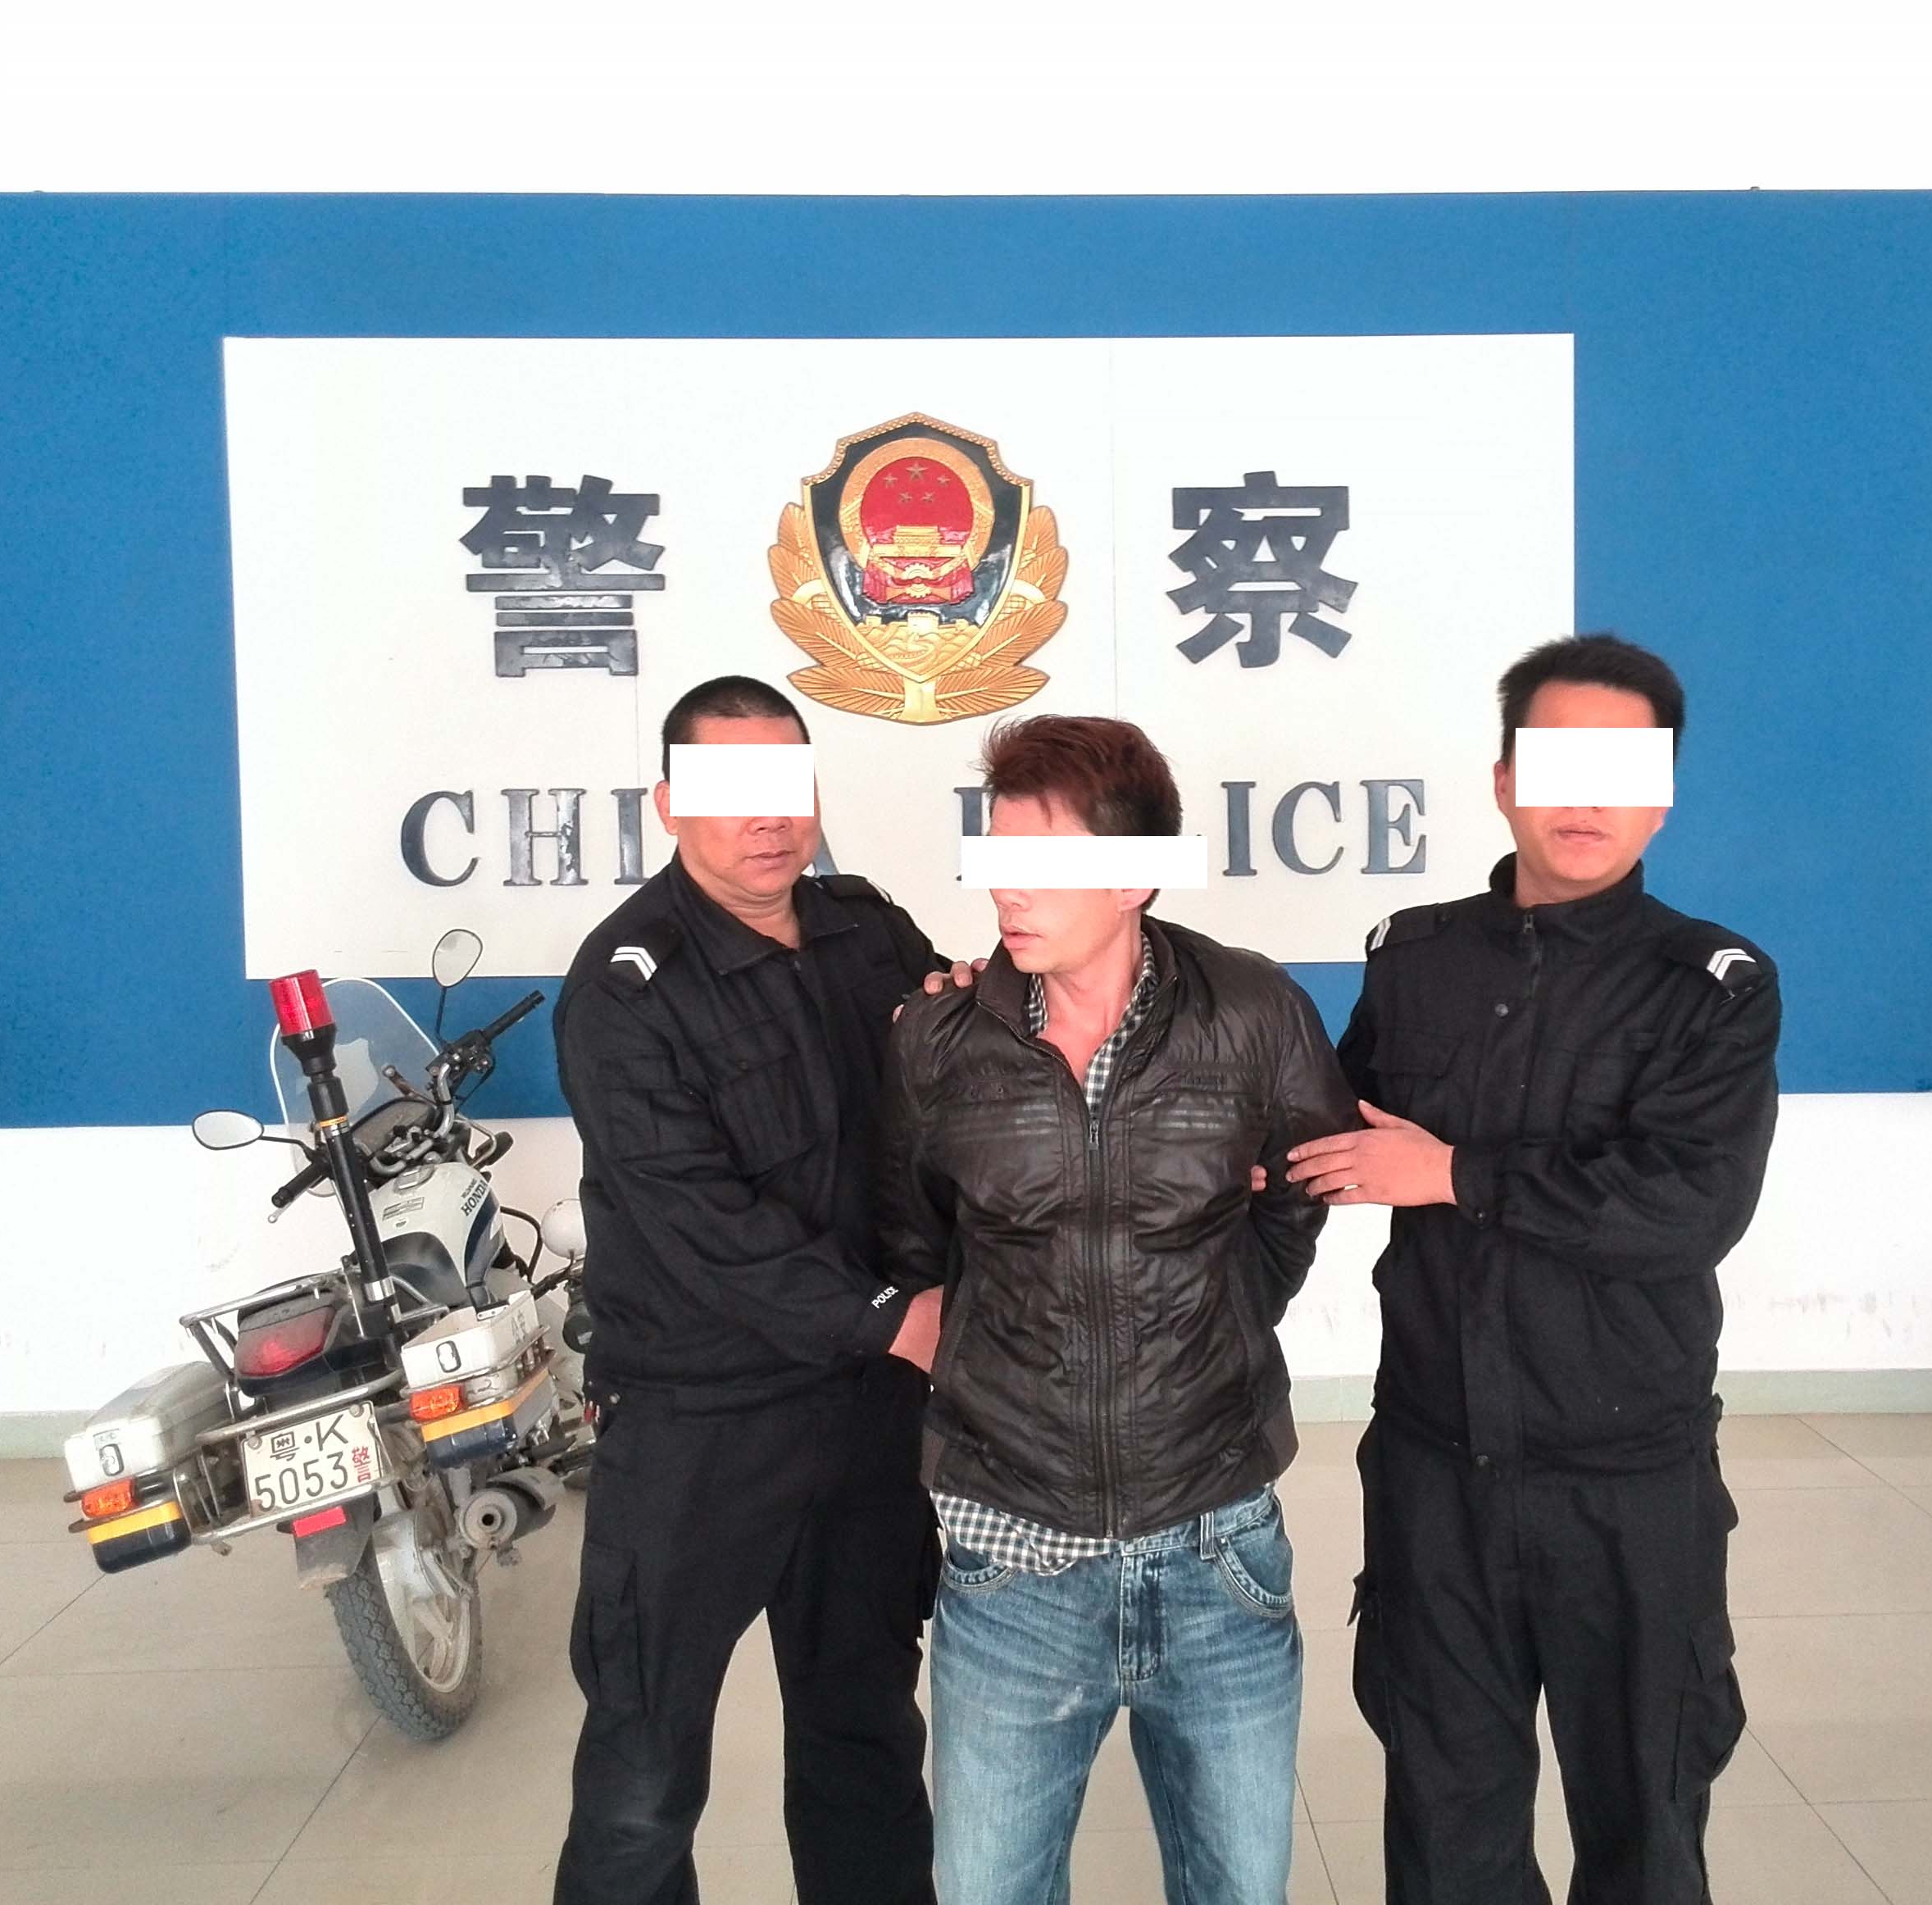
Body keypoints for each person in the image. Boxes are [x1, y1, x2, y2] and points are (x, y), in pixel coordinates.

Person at [1285, 634, 1780, 1905]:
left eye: (1624, 770)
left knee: (1644, 1826)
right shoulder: (1417, 958)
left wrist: (1456, 1174)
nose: (1587, 799)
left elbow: (1688, 1211)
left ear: (1663, 797)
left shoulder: (1711, 986)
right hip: (1435, 1471)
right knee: (1448, 1831)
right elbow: (1318, 1137)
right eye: (1558, 764)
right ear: (1505, 780)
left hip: (1628, 1482)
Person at [880, 715, 1361, 1905]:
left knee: (1239, 1887)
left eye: (1042, 861)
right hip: (1011, 1558)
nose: (1008, 890)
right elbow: (914, 1234)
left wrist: (1224, 1310)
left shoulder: (1254, 1013)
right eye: (995, 857)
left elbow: (1303, 1191)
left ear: (1138, 875)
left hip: (1217, 1549)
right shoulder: (938, 1039)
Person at [552, 675, 947, 1905]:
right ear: (669, 803)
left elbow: (956, 1102)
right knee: (644, 1771)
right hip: (699, 1422)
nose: (767, 820)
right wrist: (897, 1319)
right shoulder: (627, 987)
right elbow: (696, 1219)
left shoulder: (868, 933)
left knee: (864, 1732)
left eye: (785, 785)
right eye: (729, 791)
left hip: (866, 1414)